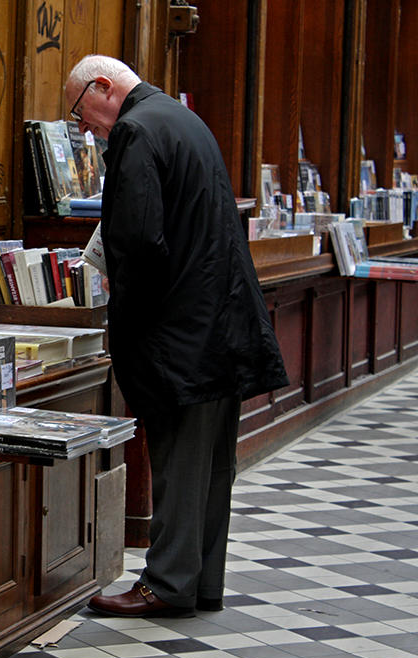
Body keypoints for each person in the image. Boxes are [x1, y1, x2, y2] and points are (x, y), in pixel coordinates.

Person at [64, 55, 288, 617]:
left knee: (180, 461)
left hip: (181, 332)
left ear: (103, 87)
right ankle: (198, 582)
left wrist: (125, 308)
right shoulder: (183, 119)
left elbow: (139, 239)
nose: (85, 127)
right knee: (211, 464)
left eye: (80, 113)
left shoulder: (138, 130)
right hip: (223, 325)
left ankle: (165, 584)